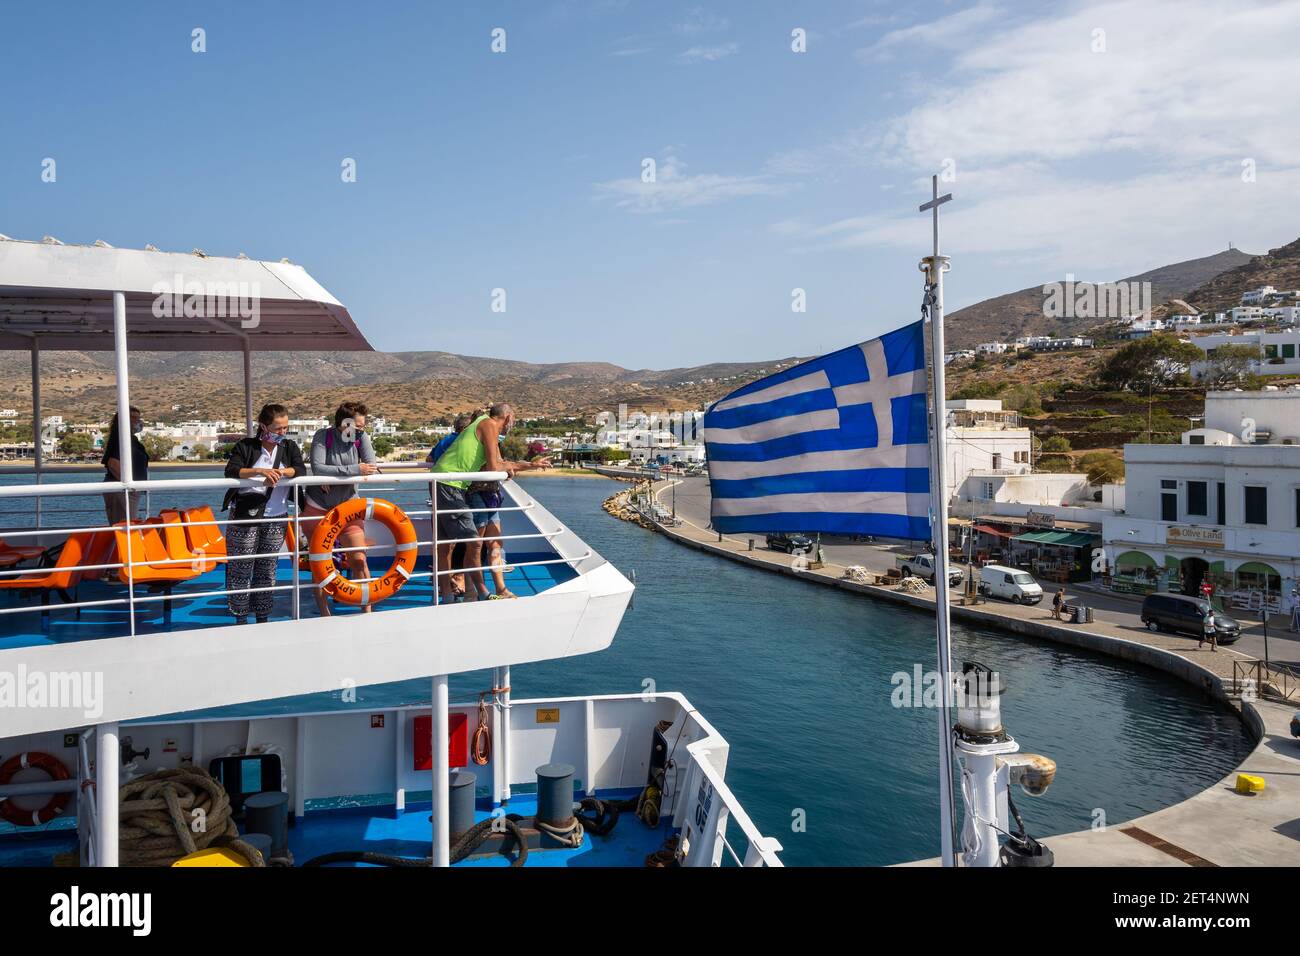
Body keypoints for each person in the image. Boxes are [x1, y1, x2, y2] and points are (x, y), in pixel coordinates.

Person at [429, 403, 551, 604]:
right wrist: (513, 466)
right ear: (509, 417)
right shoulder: (489, 425)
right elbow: (495, 467)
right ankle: (483, 593)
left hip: (444, 482)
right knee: (475, 543)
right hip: (450, 484)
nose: (512, 424)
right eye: (514, 420)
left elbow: (495, 464)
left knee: (444, 546)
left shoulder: (482, 422)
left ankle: (449, 597)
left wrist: (530, 465)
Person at [222, 404, 303, 625]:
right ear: (263, 427)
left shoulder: (288, 447)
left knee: (267, 570)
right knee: (241, 569)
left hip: (277, 516)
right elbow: (232, 470)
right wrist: (260, 471)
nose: (283, 433)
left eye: (285, 428)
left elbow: (300, 468)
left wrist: (284, 472)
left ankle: (262, 617)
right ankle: (240, 619)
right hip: (245, 516)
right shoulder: (246, 446)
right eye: (278, 429)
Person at [302, 401, 380, 616]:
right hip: (318, 506)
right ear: (345, 424)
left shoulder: (361, 438)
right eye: (358, 426)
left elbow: (370, 466)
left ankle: (367, 611)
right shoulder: (322, 436)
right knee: (321, 563)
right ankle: (325, 613)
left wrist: (332, 475)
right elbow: (318, 467)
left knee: (358, 559)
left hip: (348, 506)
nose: (362, 430)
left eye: (363, 426)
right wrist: (353, 469)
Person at [101, 406, 149, 526]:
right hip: (122, 491)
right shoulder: (121, 439)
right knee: (124, 528)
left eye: (138, 418)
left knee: (127, 525)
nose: (137, 422)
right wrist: (129, 485)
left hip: (128, 490)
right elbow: (112, 463)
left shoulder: (130, 439)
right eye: (133, 418)